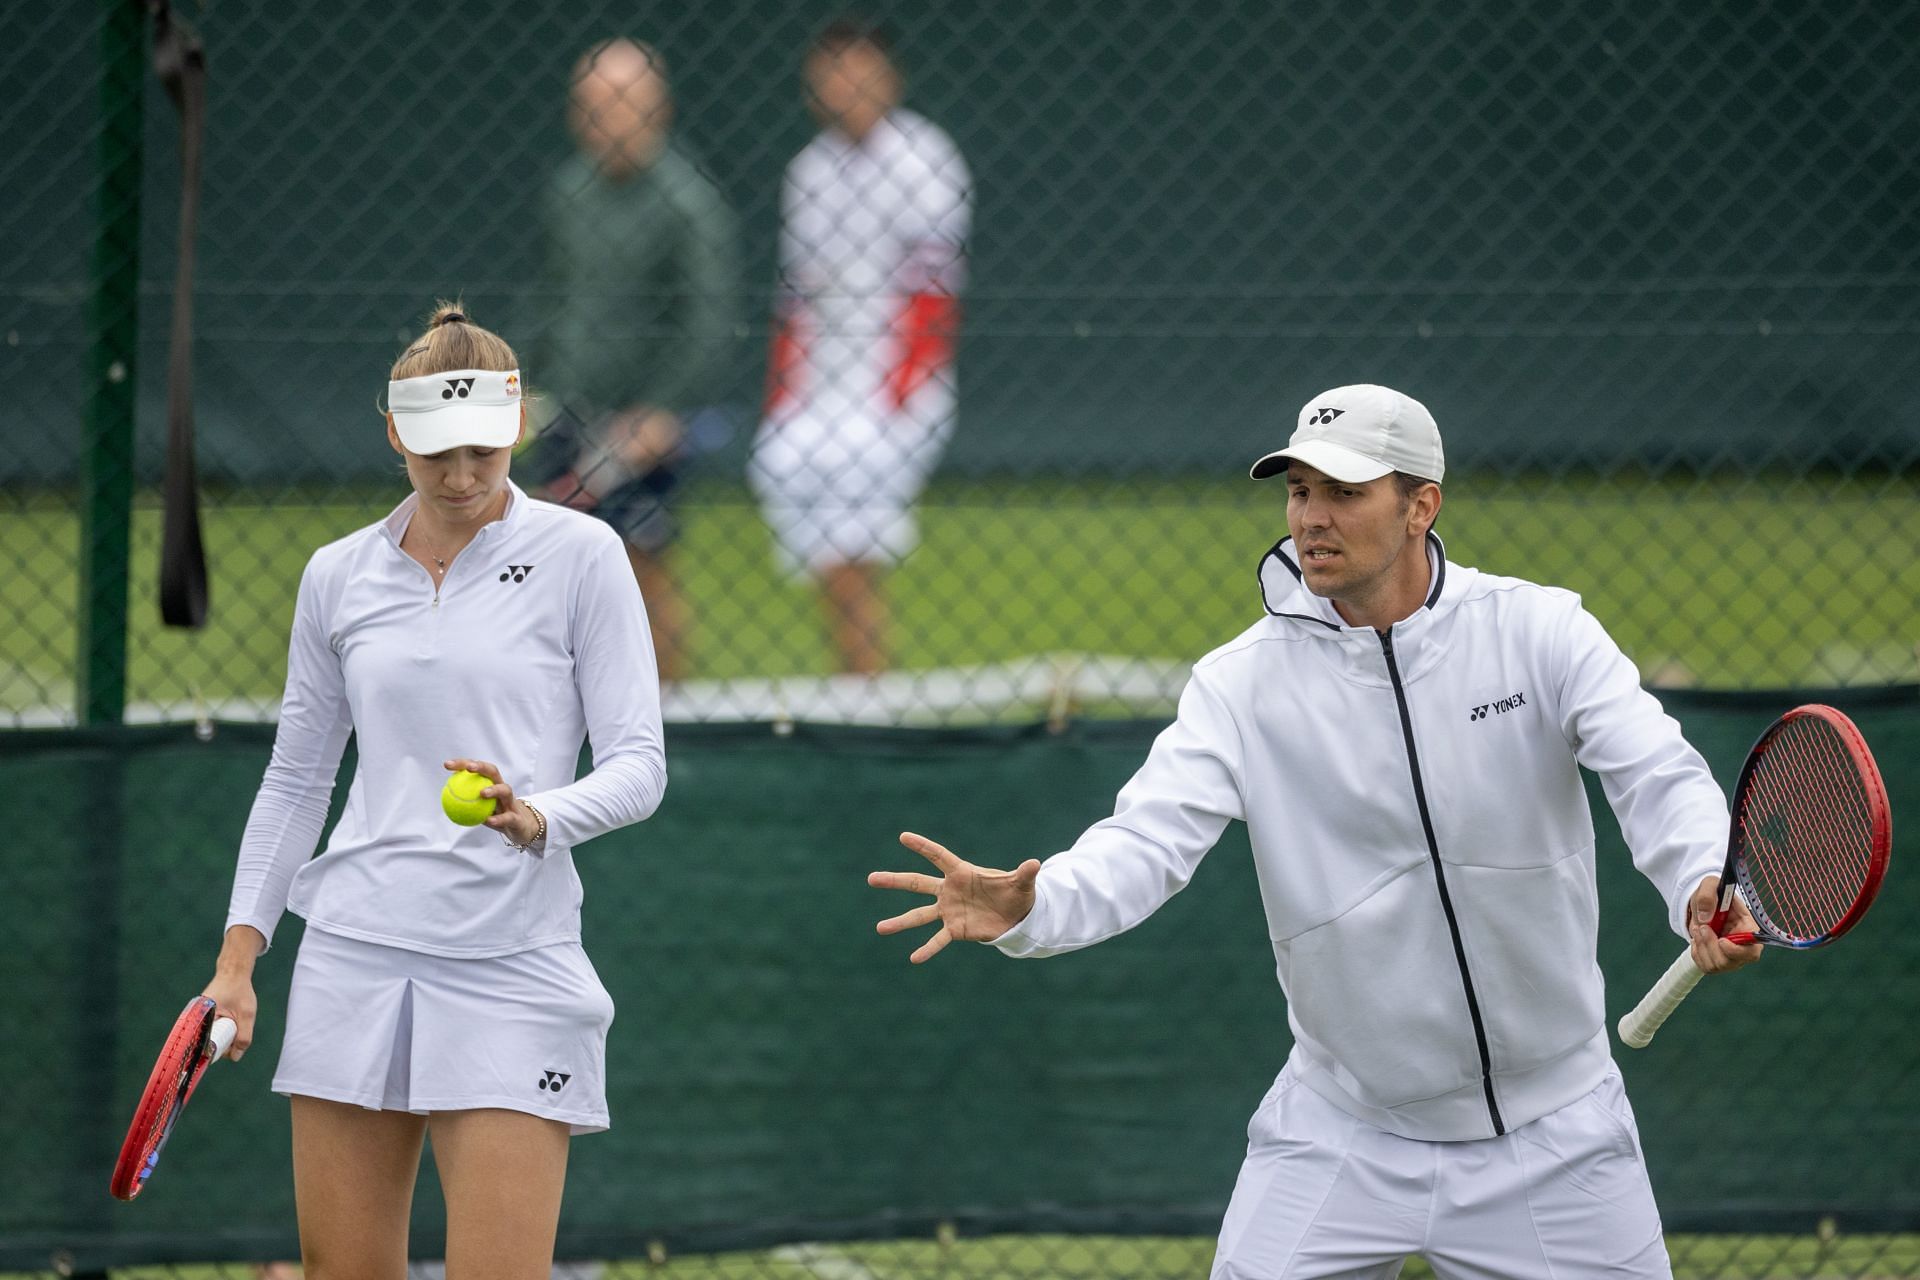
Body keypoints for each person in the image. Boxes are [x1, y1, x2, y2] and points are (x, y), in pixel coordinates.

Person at [869, 384, 1763, 1278]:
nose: (1312, 518)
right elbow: (1146, 843)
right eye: (1299, 491)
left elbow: (1656, 771)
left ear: (1421, 507)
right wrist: (1038, 904)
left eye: (1343, 492)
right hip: (1343, 1132)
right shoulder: (1239, 684)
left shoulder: (1540, 632)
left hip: (1559, 1133)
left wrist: (1697, 874)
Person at [204, 304, 667, 1280]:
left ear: (517, 433)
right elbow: (298, 776)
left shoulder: (584, 556)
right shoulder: (337, 575)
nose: (460, 477)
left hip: (513, 958)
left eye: (484, 453)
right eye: (434, 454)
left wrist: (541, 812)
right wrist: (238, 961)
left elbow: (638, 763)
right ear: (393, 437)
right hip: (353, 951)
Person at [748, 18, 972, 674]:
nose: (846, 85)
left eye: (860, 69)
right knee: (809, 512)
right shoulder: (808, 170)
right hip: (818, 397)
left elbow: (933, 299)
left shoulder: (926, 159)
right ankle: (860, 688)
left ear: (890, 76)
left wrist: (893, 401)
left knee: (854, 553)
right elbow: (795, 304)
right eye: (831, 73)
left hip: (897, 392)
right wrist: (785, 398)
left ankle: (867, 693)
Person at [523, 37, 739, 681]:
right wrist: (522, 388)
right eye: (591, 105)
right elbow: (550, 299)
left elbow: (708, 323)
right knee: (548, 570)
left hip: (645, 428)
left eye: (622, 103)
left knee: (642, 571)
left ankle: (670, 722)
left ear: (658, 110)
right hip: (567, 414)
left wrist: (660, 412)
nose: (606, 119)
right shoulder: (567, 192)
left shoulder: (688, 204)